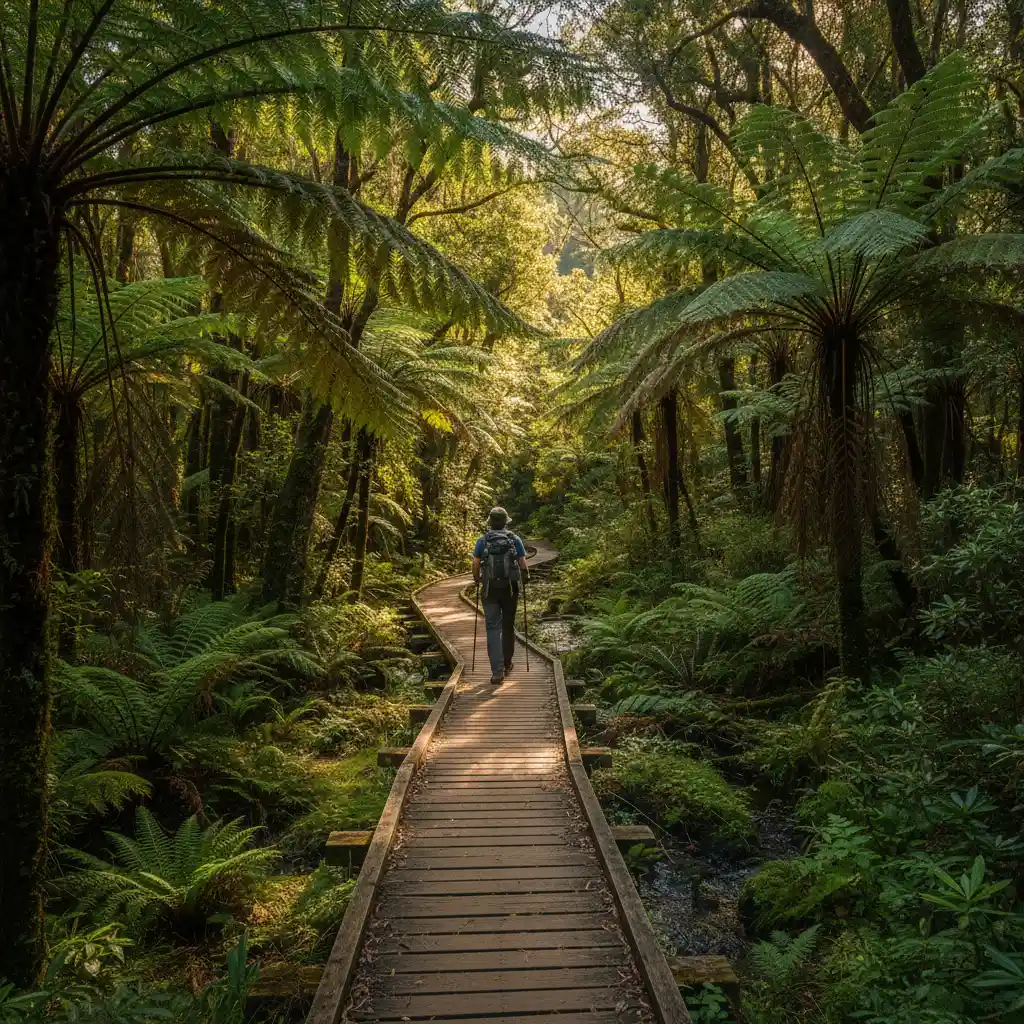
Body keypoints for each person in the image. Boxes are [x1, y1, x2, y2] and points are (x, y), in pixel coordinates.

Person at [472, 507, 529, 685]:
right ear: (505, 522)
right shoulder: (514, 539)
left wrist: (477, 580)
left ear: (490, 522)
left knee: (492, 628)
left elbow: (475, 563)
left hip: (489, 590)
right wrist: (525, 577)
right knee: (508, 626)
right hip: (510, 589)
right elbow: (522, 563)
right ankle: (507, 664)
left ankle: (497, 673)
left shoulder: (483, 541)